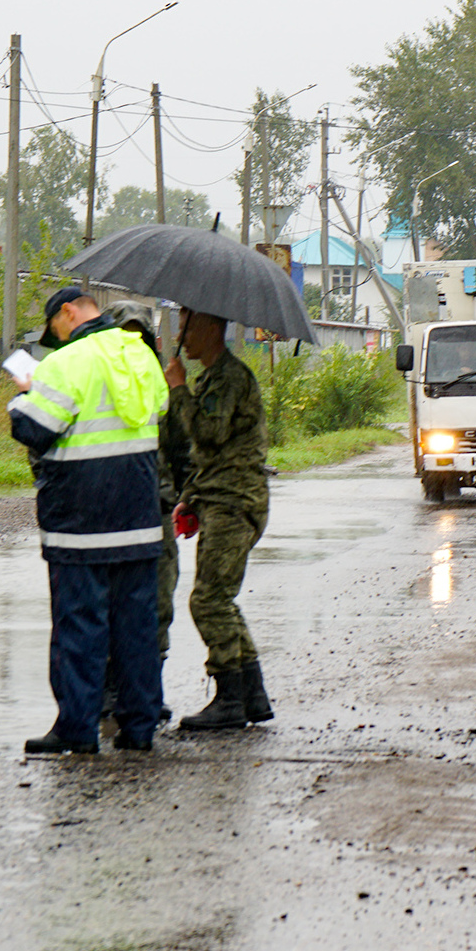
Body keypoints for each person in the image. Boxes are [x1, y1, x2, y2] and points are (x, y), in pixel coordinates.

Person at [9, 287, 169, 754]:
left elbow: (34, 429)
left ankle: (77, 730)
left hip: (81, 519)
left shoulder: (64, 363)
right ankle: (139, 728)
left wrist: (25, 395)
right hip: (137, 515)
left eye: (53, 331)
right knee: (136, 628)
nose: (53, 340)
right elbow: (158, 409)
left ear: (67, 313)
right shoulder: (139, 354)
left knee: (80, 626)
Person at [167, 310, 273, 731]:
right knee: (221, 599)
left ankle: (229, 698)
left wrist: (178, 391)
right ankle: (252, 695)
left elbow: (208, 432)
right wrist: (190, 497)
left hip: (233, 502)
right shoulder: (214, 378)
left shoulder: (229, 377)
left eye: (188, 327)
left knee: (208, 600)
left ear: (212, 329)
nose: (182, 337)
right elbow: (210, 455)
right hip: (220, 498)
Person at [105, 300, 192, 721]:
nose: (135, 343)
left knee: (156, 604)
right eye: (127, 334)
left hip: (155, 511)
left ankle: (145, 693)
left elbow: (182, 448)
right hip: (108, 512)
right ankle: (109, 690)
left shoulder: (163, 385)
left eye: (142, 335)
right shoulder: (97, 380)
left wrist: (187, 498)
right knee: (106, 604)